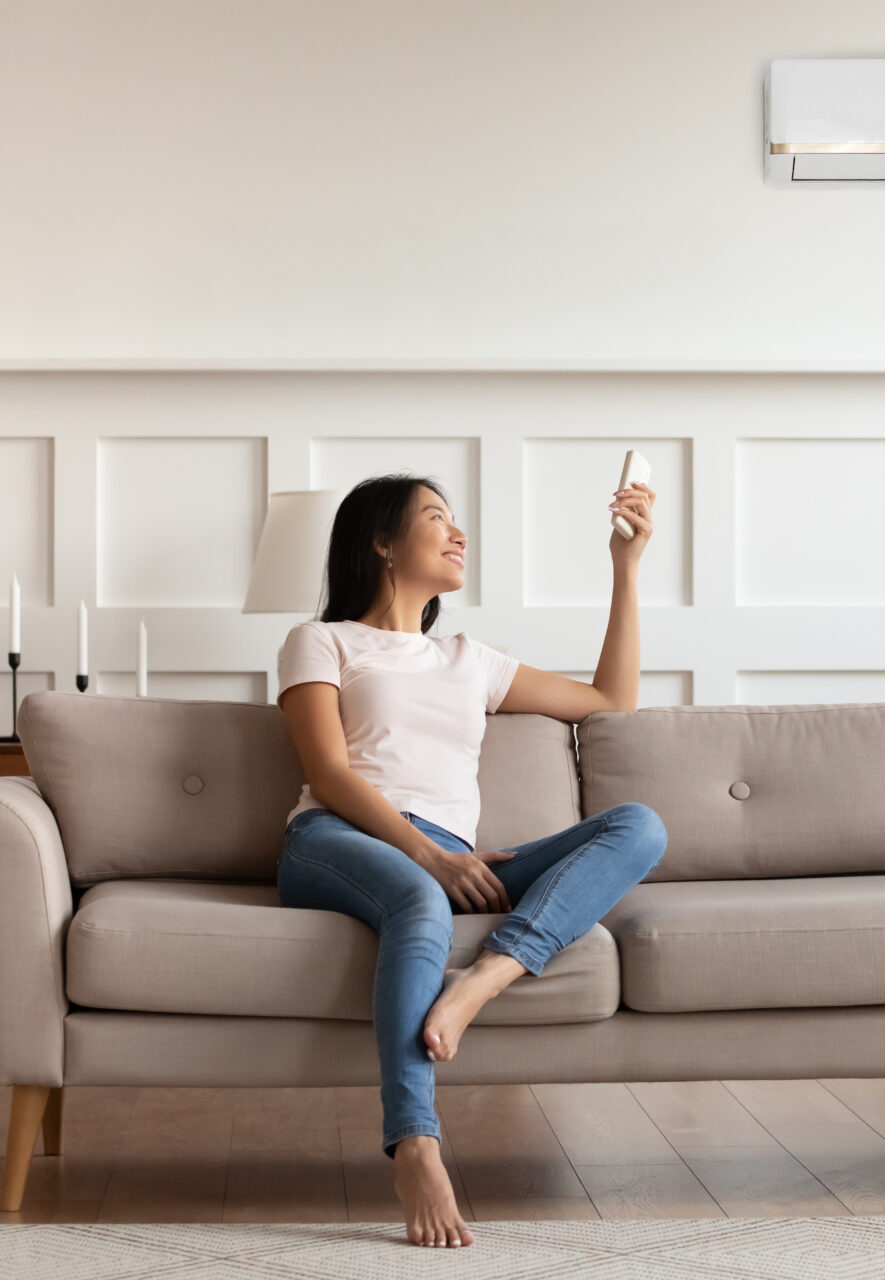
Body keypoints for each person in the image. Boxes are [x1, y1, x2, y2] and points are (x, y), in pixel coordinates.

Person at [275, 471, 665, 1248]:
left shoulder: (467, 658)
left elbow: (612, 700)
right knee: (419, 902)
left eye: (456, 521)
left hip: (455, 855)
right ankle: (416, 1144)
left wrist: (626, 570)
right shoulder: (320, 641)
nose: (458, 534)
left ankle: (486, 976)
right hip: (338, 841)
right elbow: (328, 772)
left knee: (639, 826)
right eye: (434, 519)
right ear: (382, 542)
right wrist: (427, 856)